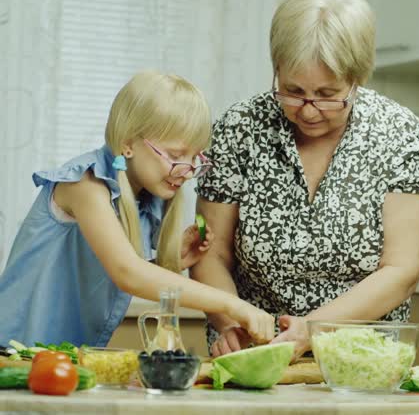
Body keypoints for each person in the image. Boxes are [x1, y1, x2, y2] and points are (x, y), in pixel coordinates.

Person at [192, 0, 419, 360]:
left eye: (327, 95)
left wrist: (311, 330)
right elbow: (210, 254)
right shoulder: (238, 128)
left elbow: (401, 270)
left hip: (361, 362)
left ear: (358, 78)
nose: (308, 110)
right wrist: (230, 322)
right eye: (293, 91)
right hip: (251, 352)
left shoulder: (401, 136)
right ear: (276, 69)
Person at [0, 70, 274, 348]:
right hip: (11, 352)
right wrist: (233, 304)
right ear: (128, 144)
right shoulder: (85, 184)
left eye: (195, 158)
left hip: (57, 359)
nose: (189, 171)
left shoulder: (143, 198)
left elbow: (107, 272)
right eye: (177, 155)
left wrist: (167, 265)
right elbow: (127, 273)